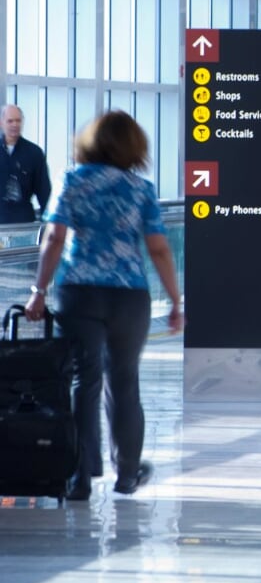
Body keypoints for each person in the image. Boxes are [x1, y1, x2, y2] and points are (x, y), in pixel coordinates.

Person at [24, 111, 184, 502]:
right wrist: (176, 300)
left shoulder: (72, 180)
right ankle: (127, 473)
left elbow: (54, 240)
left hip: (80, 292)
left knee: (83, 382)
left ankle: (79, 477)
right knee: (125, 381)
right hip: (129, 295)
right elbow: (159, 248)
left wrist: (38, 290)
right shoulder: (140, 189)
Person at [0, 104, 52, 224]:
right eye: (10, 121)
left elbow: (44, 191)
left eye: (18, 120)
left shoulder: (34, 153)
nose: (15, 124)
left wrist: (49, 224)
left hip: (23, 223)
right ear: (1, 123)